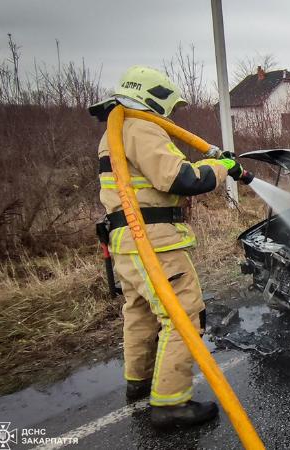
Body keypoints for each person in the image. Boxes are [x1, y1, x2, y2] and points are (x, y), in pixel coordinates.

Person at [91, 66, 249, 428]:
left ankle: (139, 382)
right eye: (169, 106)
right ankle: (171, 405)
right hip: (155, 242)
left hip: (126, 243)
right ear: (153, 97)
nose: (171, 115)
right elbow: (179, 177)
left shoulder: (115, 131)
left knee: (140, 313)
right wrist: (218, 167)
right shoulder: (141, 127)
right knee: (183, 317)